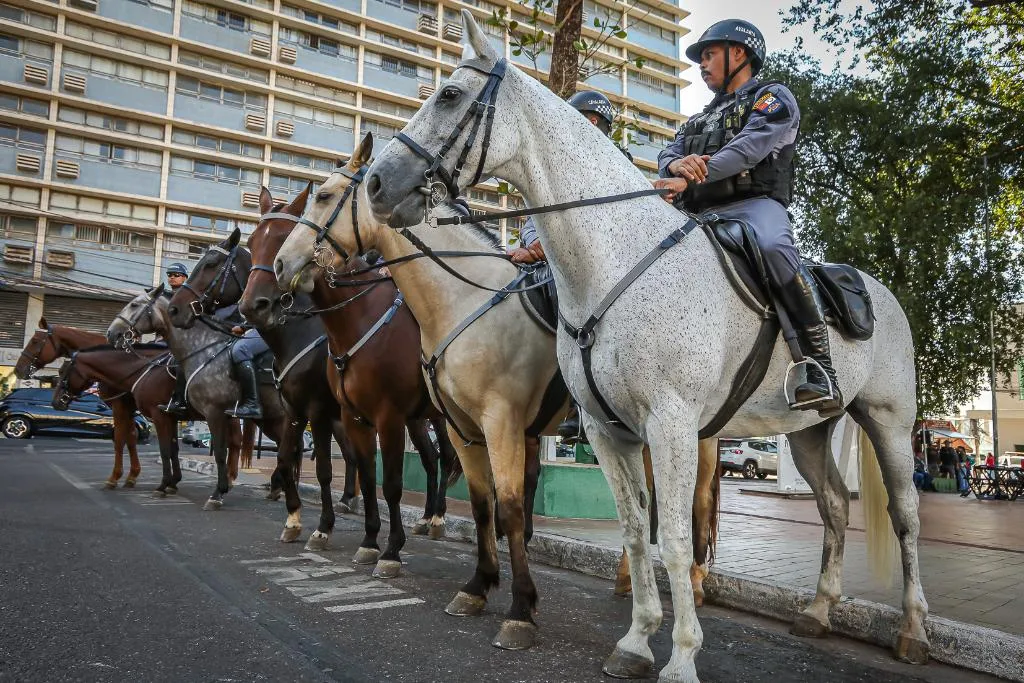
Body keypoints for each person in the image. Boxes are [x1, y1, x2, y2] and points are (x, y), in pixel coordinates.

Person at [653, 20, 841, 418]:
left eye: (708, 55)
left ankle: (818, 367)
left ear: (738, 53)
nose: (701, 65)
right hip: (699, 214)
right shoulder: (698, 119)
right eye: (701, 58)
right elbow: (668, 153)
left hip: (755, 207)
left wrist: (692, 173)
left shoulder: (773, 98)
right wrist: (676, 163)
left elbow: (750, 148)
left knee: (774, 247)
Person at [509, 90, 632, 265]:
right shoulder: (558, 163)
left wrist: (552, 247)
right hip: (554, 264)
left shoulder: (621, 168)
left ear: (591, 122)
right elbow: (535, 216)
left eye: (569, 118)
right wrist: (535, 244)